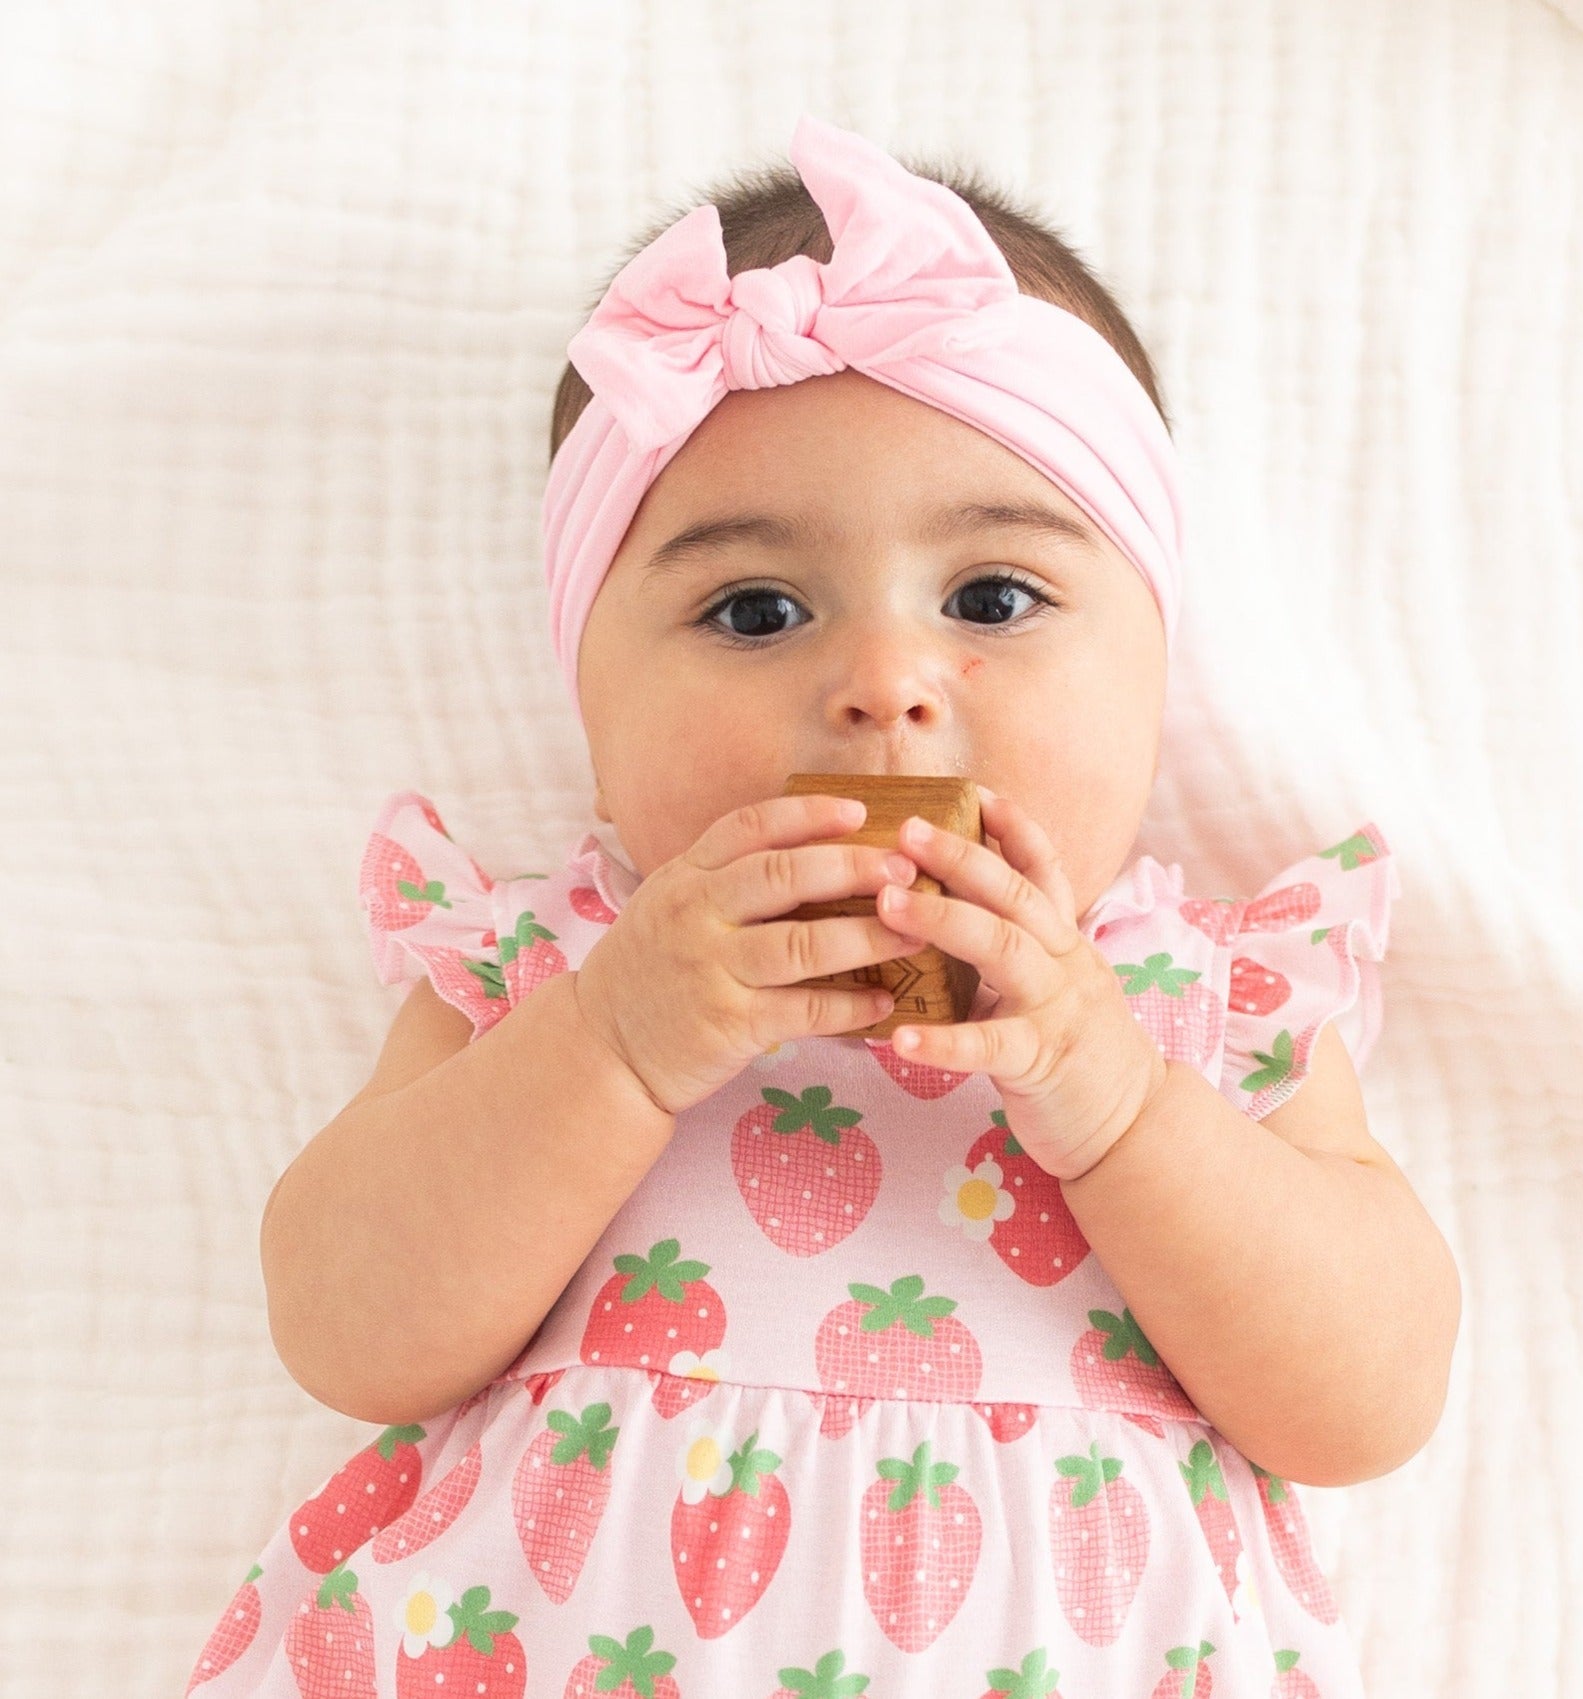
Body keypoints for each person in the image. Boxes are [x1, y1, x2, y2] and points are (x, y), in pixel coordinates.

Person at [183, 112, 1460, 1698]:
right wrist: (616, 1047)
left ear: (1156, 675)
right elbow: (345, 1325)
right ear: (593, 713)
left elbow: (1368, 1401)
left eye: (993, 599)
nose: (882, 689)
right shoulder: (553, 972)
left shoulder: (1202, 1004)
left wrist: (1119, 1104)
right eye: (756, 609)